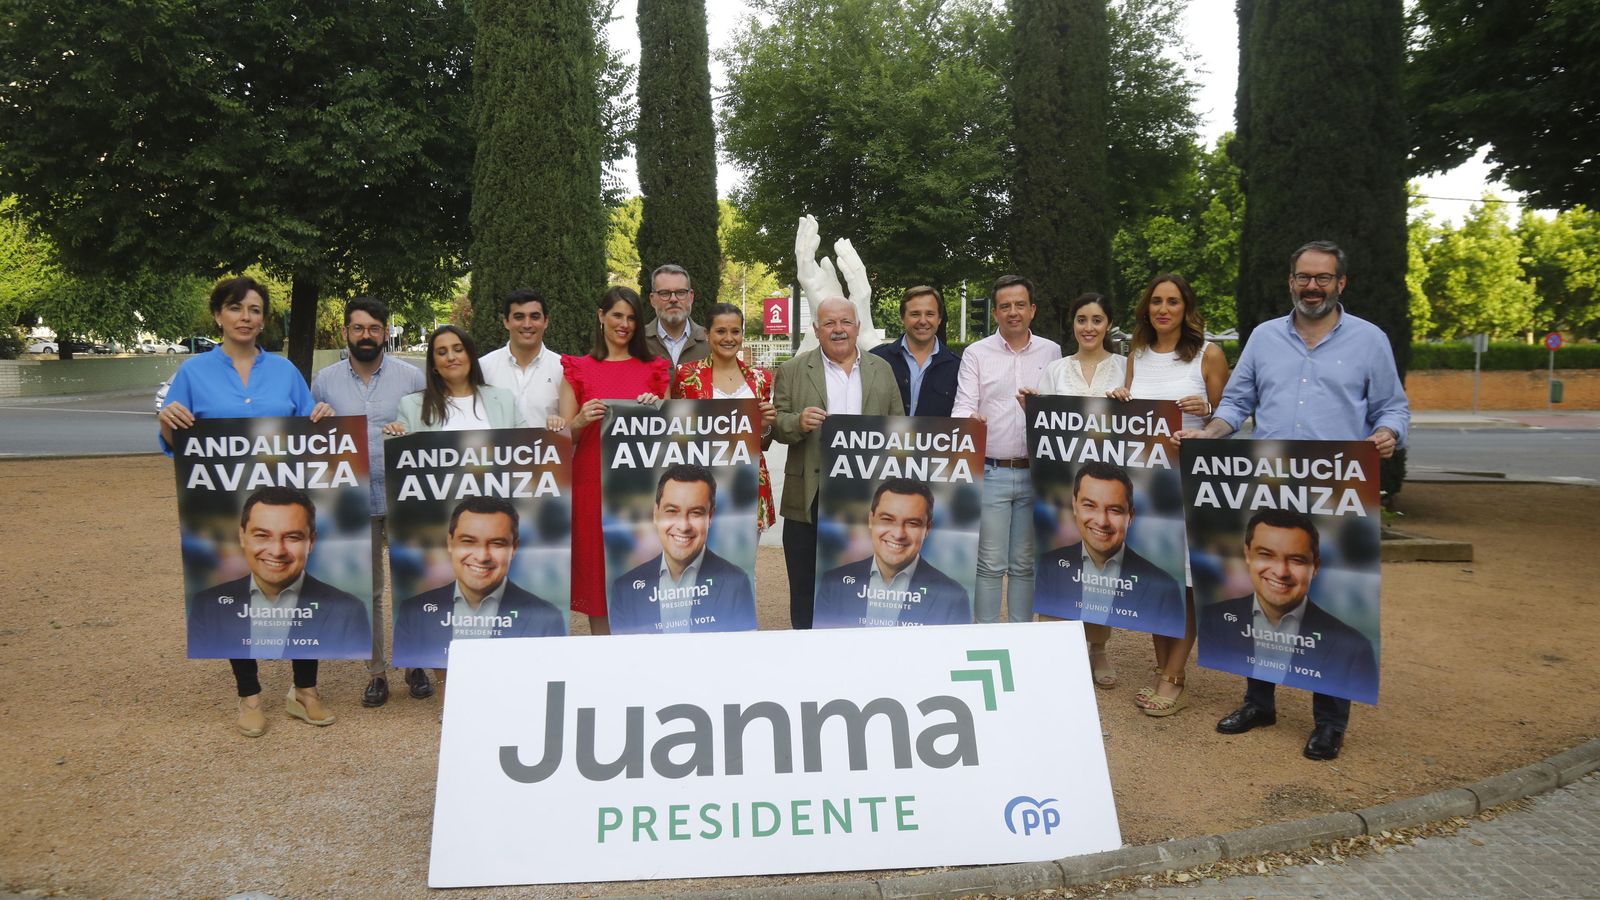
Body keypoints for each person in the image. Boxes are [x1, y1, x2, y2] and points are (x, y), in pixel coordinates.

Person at [1177, 240, 1408, 760]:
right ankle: (1260, 701)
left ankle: (1330, 721)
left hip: (1336, 491)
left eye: (1322, 278)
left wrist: (1389, 434)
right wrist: (1211, 434)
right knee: (1265, 592)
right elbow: (1237, 402)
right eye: (1304, 277)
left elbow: (1393, 408)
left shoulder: (1370, 341)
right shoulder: (1263, 337)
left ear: (1340, 284)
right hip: (1269, 484)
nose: (1311, 286)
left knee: (1321, 597)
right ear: (1290, 281)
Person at [157, 275, 340, 737]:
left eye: (255, 310)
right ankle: (249, 695)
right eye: (236, 308)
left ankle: (306, 691)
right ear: (218, 315)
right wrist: (167, 422)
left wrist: (322, 415)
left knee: (299, 586)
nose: (246, 317)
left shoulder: (284, 371)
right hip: (223, 505)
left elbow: (310, 432)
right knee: (233, 593)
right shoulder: (193, 373)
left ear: (263, 320)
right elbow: (174, 444)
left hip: (284, 501)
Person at [1110, 273, 1229, 716]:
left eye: (1173, 302)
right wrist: (1121, 397)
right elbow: (1132, 417)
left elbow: (1236, 420)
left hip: (1189, 485)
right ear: (1147, 309)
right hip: (1145, 486)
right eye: (1156, 301)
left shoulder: (1207, 355)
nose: (1163, 309)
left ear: (1186, 308)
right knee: (1160, 579)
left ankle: (1174, 676)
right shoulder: (1136, 355)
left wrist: (1209, 411)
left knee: (1187, 581)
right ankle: (1166, 667)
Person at [310, 296, 427, 708]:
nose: (366, 335)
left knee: (414, 584)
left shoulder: (412, 378)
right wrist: (317, 419)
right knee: (369, 589)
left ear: (385, 331)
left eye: (374, 328)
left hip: (405, 496)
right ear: (346, 332)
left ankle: (416, 663)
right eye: (358, 328)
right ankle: (376, 672)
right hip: (352, 499)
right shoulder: (324, 381)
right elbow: (313, 441)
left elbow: (429, 430)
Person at [773, 296, 904, 629]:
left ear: (857, 327)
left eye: (845, 322)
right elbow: (776, 427)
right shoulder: (792, 370)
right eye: (829, 323)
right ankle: (806, 647)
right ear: (816, 330)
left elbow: (899, 426)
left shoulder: (882, 369)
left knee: (860, 582)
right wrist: (797, 423)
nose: (838, 329)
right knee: (804, 584)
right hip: (810, 495)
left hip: (867, 494)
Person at [1021, 292, 1128, 688]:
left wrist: (1126, 401)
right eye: (1081, 319)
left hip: (1106, 486)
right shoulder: (1056, 369)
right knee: (1058, 561)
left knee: (1099, 566)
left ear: (1108, 324)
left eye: (1096, 320)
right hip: (1061, 483)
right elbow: (1041, 425)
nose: (1088, 327)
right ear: (1072, 324)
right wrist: (1028, 407)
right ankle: (1053, 645)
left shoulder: (1124, 368)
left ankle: (1097, 647)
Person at [560, 286, 673, 635]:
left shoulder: (655, 369)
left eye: (631, 317)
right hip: (592, 485)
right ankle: (603, 654)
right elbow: (563, 440)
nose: (624, 324)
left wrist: (656, 408)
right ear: (601, 316)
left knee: (643, 571)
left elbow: (672, 435)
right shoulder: (577, 368)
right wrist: (579, 421)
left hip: (641, 488)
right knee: (598, 577)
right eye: (617, 315)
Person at [952, 275, 1061, 624]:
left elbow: (1061, 413)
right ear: (995, 313)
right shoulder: (976, 353)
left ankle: (1020, 640)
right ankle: (986, 638)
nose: (1013, 312)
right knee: (989, 563)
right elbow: (961, 407)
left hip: (1036, 473)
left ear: (1032, 310)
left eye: (1019, 305)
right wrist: (972, 418)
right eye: (1005, 307)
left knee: (1025, 563)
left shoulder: (1052, 352)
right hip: (993, 469)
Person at [1197, 510, 1379, 703]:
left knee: (1332, 651)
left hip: (1329, 627)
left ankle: (1329, 725)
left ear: (1315, 566)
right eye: (1266, 555)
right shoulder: (1217, 617)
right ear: (1247, 554)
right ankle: (1258, 705)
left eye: (1296, 559)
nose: (1281, 571)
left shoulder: (1350, 637)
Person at [189, 487, 371, 659]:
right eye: (261, 535)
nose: (277, 551)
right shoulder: (206, 607)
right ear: (242, 537)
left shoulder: (348, 611)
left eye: (292, 537)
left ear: (312, 541)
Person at [1033, 463, 1185, 668]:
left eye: (1114, 510)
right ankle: (1055, 656)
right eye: (1089, 506)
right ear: (1074, 505)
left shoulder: (1163, 585)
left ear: (1131, 515)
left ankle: (1097, 650)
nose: (1102, 521)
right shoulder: (1050, 562)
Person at [393, 498, 565, 674]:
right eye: (468, 541)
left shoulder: (547, 618)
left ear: (514, 548)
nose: (482, 556)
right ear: (450, 543)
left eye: (497, 543)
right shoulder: (413, 612)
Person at [607, 465, 758, 634]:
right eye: (672, 511)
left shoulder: (735, 583)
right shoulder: (625, 590)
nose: (683, 526)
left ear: (710, 517)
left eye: (695, 512)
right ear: (655, 515)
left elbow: (743, 654)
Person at [670, 302, 777, 530]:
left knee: (742, 562)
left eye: (735, 331)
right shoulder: (687, 375)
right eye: (720, 331)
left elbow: (762, 444)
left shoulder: (761, 379)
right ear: (707, 334)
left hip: (747, 485)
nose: (728, 338)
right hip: (700, 484)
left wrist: (765, 426)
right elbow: (675, 433)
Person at [814, 478, 971, 628]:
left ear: (928, 529)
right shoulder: (833, 584)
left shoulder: (953, 597)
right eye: (887, 520)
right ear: (871, 520)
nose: (898, 534)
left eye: (912, 523)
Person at [385, 325, 526, 435]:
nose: (451, 357)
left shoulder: (504, 399)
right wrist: (395, 435)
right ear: (434, 364)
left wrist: (548, 430)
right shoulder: (412, 406)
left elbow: (528, 447)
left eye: (458, 349)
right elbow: (402, 462)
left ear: (470, 356)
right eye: (442, 352)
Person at [479, 288, 566, 428]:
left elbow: (570, 428)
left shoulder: (563, 369)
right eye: (519, 317)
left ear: (546, 322)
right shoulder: (483, 367)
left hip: (547, 449)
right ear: (506, 322)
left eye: (535, 317)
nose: (527, 324)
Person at [870, 285, 961, 416]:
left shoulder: (958, 367)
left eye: (930, 314)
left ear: (939, 319)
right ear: (902, 318)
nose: (923, 321)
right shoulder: (876, 360)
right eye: (915, 314)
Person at [643, 264, 710, 366]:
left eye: (680, 292)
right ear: (652, 299)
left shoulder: (710, 342)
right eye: (664, 293)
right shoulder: (638, 341)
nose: (673, 299)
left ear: (691, 297)